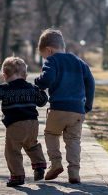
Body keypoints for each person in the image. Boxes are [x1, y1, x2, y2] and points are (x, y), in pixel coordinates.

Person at [0, 56, 48, 187]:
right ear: (25, 76)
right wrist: (42, 91)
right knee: (32, 145)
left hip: (15, 125)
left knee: (12, 151)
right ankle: (39, 166)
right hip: (33, 124)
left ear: (4, 75)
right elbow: (42, 102)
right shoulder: (31, 87)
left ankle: (17, 176)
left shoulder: (4, 88)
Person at [34, 28, 95, 184]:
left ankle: (55, 163)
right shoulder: (79, 62)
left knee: (51, 134)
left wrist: (38, 82)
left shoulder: (52, 60)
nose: (44, 58)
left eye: (43, 56)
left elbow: (47, 79)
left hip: (58, 108)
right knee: (73, 140)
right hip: (77, 110)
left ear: (49, 50)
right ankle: (74, 172)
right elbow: (91, 82)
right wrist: (87, 104)